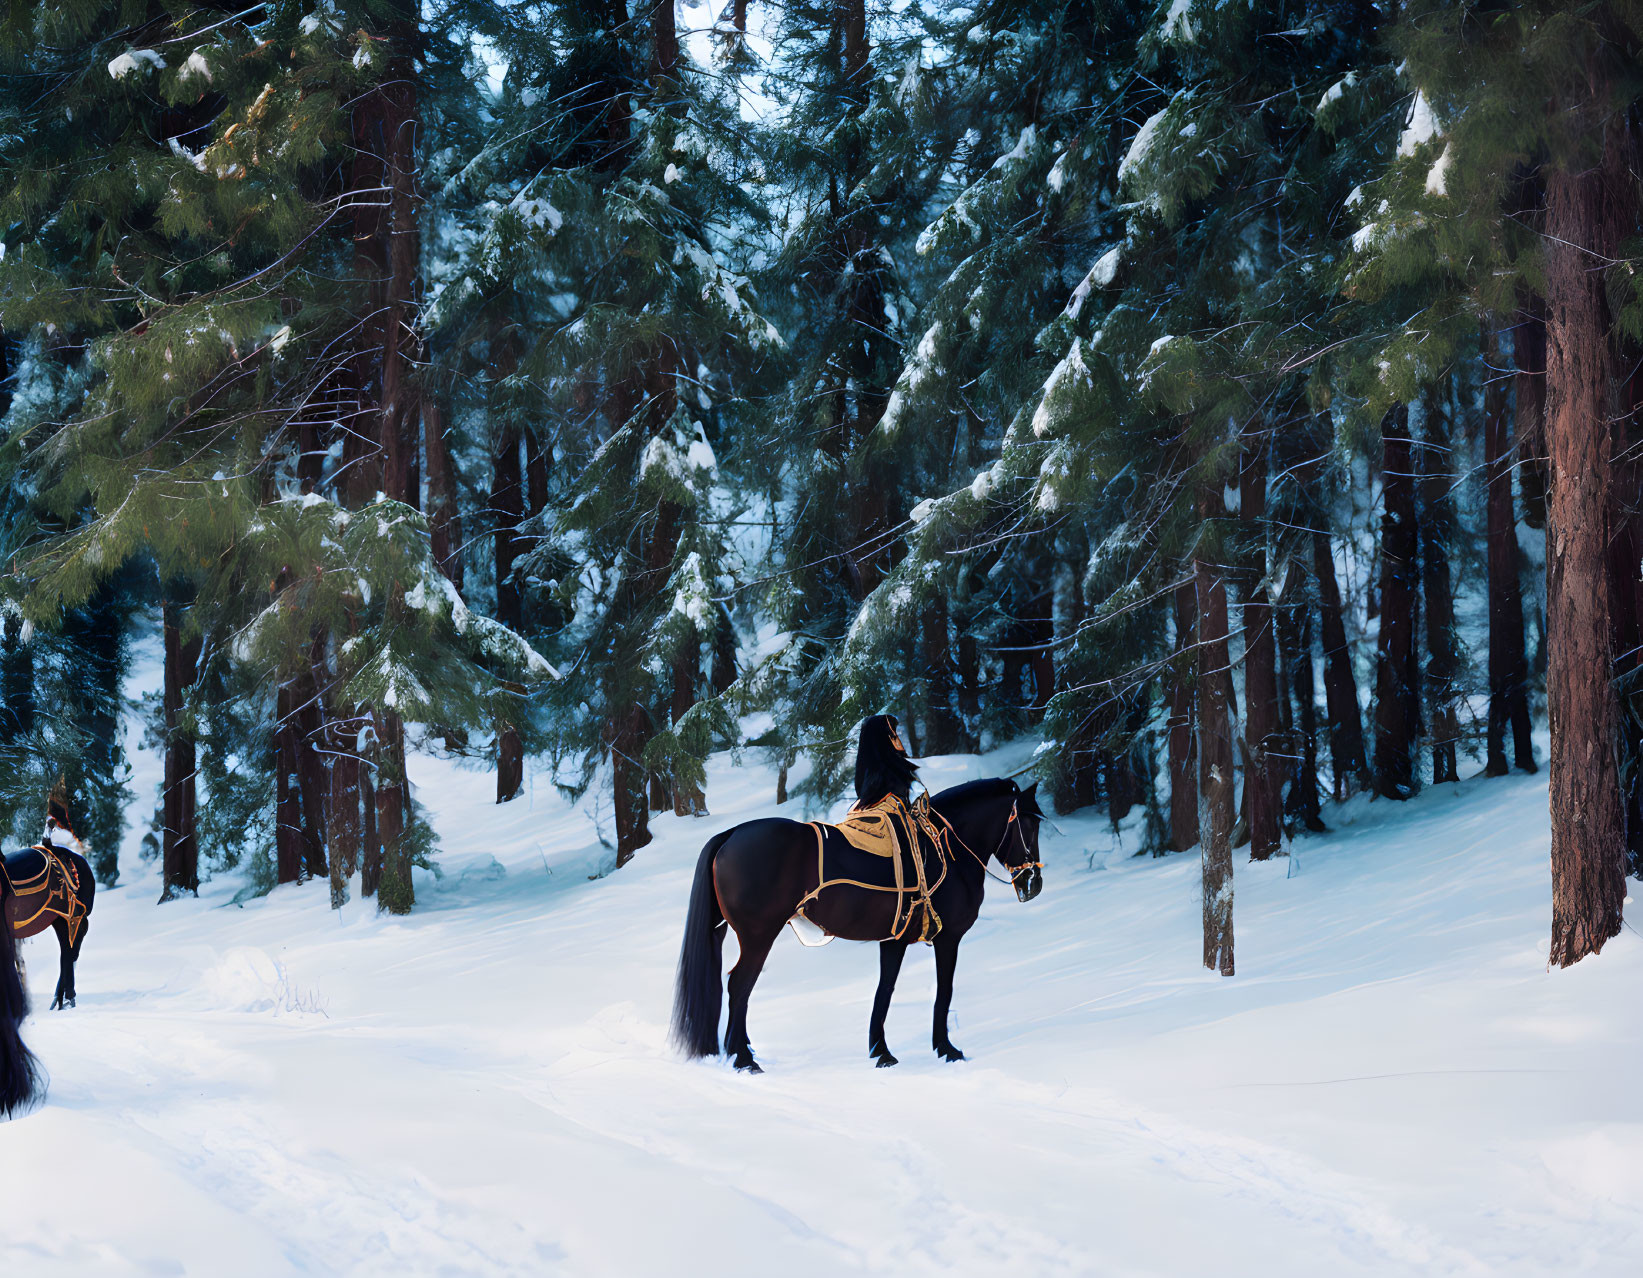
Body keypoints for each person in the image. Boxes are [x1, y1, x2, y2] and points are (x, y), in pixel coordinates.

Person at [853, 714, 918, 810]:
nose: (897, 738)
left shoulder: (868, 774)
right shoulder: (884, 778)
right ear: (882, 739)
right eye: (892, 735)